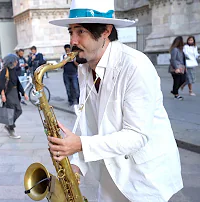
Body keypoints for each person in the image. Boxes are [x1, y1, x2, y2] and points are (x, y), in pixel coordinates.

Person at [46, 1, 183, 202]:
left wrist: (80, 144)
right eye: (71, 32)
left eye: (81, 31)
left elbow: (137, 136)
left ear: (106, 31)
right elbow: (89, 124)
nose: (73, 41)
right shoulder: (84, 67)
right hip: (111, 177)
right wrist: (74, 166)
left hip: (145, 180)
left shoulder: (135, 66)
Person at [0, 54, 29, 139]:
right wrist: (3, 95)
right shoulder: (4, 71)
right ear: (11, 61)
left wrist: (24, 93)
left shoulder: (14, 70)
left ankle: (8, 125)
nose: (17, 62)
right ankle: (11, 131)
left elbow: (18, 83)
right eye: (15, 61)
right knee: (11, 112)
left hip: (15, 92)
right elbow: (1, 83)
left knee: (19, 110)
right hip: (9, 93)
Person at [169, 36, 187, 100]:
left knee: (183, 79)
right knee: (177, 81)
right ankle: (176, 95)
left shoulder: (181, 50)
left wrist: (185, 67)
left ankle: (174, 90)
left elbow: (183, 60)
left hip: (181, 67)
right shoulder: (175, 49)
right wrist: (176, 68)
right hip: (175, 68)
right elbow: (173, 60)